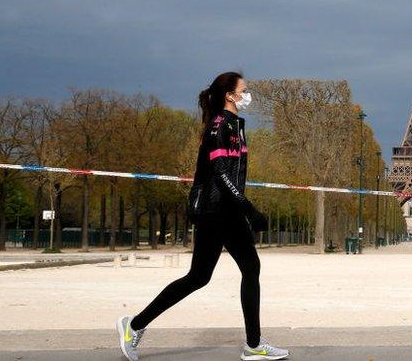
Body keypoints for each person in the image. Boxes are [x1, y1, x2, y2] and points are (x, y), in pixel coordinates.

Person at [117, 71, 289, 360]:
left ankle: (254, 343)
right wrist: (249, 208)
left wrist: (242, 207)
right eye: (244, 90)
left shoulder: (234, 124)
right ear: (230, 95)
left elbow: (230, 174)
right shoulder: (220, 126)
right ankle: (133, 325)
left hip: (228, 209)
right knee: (198, 277)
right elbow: (221, 174)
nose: (248, 95)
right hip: (214, 211)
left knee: (250, 268)